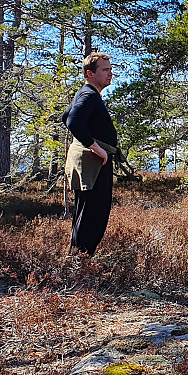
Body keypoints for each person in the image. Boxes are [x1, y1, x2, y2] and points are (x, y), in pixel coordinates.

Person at [63, 52, 118, 256]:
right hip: (93, 164)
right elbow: (72, 121)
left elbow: (65, 116)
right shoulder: (88, 95)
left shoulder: (87, 93)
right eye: (105, 70)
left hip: (90, 164)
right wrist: (96, 148)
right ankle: (80, 266)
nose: (110, 74)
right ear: (90, 73)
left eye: (110, 69)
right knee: (92, 216)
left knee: (85, 214)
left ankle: (77, 263)